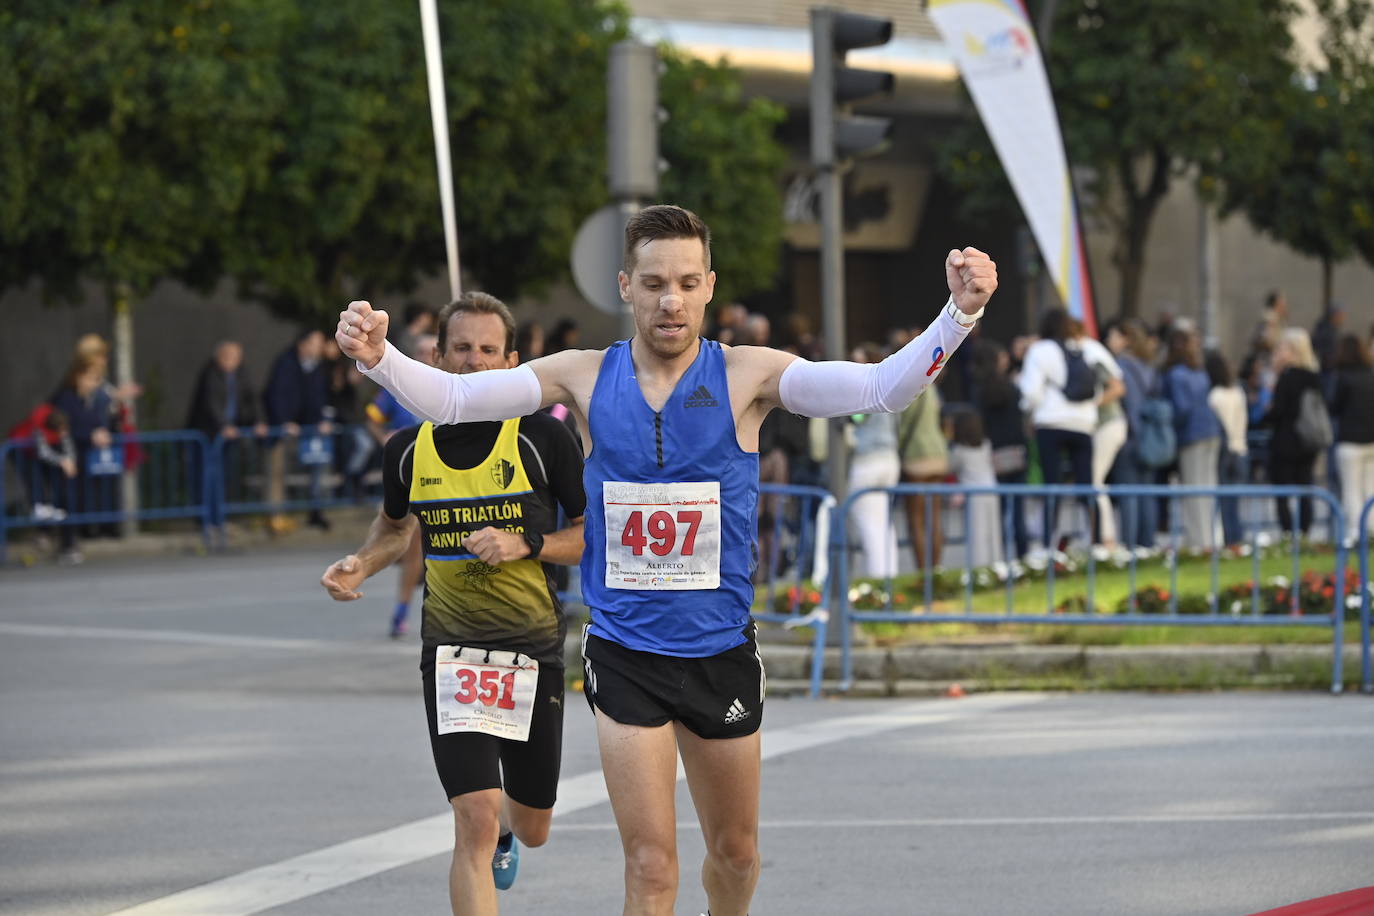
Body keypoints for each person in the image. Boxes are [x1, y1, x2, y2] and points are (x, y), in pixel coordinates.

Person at [336, 204, 997, 916]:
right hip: (625, 654)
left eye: (686, 281)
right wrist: (379, 359)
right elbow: (460, 397)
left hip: (719, 651)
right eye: (653, 283)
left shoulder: (749, 375)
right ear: (626, 286)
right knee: (651, 867)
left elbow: (880, 389)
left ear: (710, 285)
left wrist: (958, 316)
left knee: (736, 856)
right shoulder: (583, 377)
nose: (670, 300)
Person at [321, 292, 586, 915]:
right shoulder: (407, 449)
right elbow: (393, 531)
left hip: (533, 652)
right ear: (437, 359)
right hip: (453, 657)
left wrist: (527, 543)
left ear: (514, 361)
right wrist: (360, 562)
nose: (474, 362)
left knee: (532, 823)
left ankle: (506, 833)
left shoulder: (543, 438)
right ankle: (487, 830)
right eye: (461, 349)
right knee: (473, 813)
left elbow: (591, 536)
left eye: (489, 350)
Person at [364, 333, 438, 637]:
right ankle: (402, 609)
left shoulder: (446, 387)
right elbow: (371, 417)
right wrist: (384, 438)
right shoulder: (397, 387)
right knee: (413, 544)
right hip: (410, 475)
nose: (424, 355)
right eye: (419, 350)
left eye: (430, 351)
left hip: (447, 476)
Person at [1017, 308, 1108, 553]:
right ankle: (1096, 542)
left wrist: (1029, 413)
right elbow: (1103, 382)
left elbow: (1031, 392)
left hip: (1051, 424)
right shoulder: (1087, 348)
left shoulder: (1040, 351)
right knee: (1086, 485)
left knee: (1052, 485)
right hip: (1083, 424)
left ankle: (1049, 544)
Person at [262, 329, 332, 534]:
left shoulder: (317, 367)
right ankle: (275, 515)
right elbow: (276, 395)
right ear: (302, 344)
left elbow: (318, 398)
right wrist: (284, 422)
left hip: (308, 429)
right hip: (282, 428)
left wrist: (321, 420)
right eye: (315, 343)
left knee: (318, 468)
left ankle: (316, 512)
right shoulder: (285, 363)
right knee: (277, 471)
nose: (319, 348)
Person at [1259, 328, 1324, 537]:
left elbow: (1278, 411)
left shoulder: (1287, 377)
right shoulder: (1314, 376)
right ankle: (1305, 531)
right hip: (1308, 441)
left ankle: (1288, 533)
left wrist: (1264, 415)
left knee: (1283, 491)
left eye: (1282, 348)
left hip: (1286, 441)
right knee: (1305, 489)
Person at [1161, 327, 1222, 550]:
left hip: (1191, 434)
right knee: (1207, 488)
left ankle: (1200, 542)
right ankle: (1208, 538)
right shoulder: (1198, 371)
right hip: (1210, 431)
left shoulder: (1176, 374)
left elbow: (1181, 408)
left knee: (1194, 489)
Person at [846, 342, 901, 579]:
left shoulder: (863, 386)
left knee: (870, 525)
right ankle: (890, 575)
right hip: (889, 457)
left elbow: (857, 417)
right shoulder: (890, 384)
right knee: (884, 522)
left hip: (868, 459)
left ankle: (879, 580)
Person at [1103, 318, 1159, 550]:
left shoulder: (1123, 365)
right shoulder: (1147, 365)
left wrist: (1133, 434)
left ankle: (1132, 546)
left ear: (1125, 339)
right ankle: (1147, 543)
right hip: (1149, 437)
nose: (1109, 340)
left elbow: (1132, 404)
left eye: (1113, 336)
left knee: (1129, 494)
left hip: (1132, 436)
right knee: (1146, 493)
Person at [897, 379, 949, 571]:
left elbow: (903, 426)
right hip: (938, 454)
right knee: (934, 518)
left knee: (916, 520)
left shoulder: (909, 387)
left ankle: (923, 572)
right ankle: (935, 569)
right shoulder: (932, 387)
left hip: (916, 456)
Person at [1329, 334, 1374, 547]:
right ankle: (1372, 530)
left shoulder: (1343, 377)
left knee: (1351, 490)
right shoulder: (1370, 375)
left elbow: (1334, 407)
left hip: (1350, 441)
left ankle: (1356, 532)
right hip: (1370, 440)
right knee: (1369, 489)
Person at [947, 409, 1003, 568]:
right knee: (993, 531)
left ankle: (978, 568)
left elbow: (950, 468)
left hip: (974, 495)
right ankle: (996, 564)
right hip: (992, 491)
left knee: (977, 533)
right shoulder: (986, 445)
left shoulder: (958, 451)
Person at [1205, 350, 1249, 549]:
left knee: (1223, 500)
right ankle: (1236, 538)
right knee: (1235, 501)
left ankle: (1228, 540)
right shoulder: (1238, 392)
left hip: (1224, 449)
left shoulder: (1214, 396)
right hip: (1240, 447)